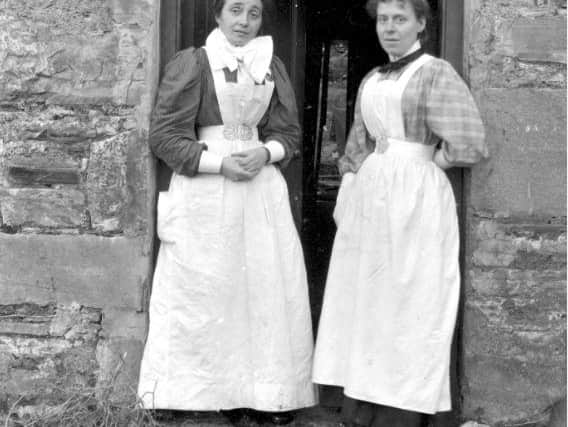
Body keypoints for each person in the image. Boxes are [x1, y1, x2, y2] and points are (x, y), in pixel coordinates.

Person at [137, 0, 317, 423]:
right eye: (235, 11)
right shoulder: (195, 64)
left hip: (258, 188)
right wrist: (220, 163)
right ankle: (186, 393)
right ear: (217, 15)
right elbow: (164, 137)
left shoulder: (270, 65)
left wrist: (266, 152)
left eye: (253, 14)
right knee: (204, 289)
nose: (244, 22)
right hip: (207, 187)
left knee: (260, 289)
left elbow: (288, 133)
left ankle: (262, 395)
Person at [312, 0, 488, 426]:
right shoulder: (372, 77)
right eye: (384, 20)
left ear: (421, 25)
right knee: (369, 296)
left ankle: (404, 412)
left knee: (411, 296)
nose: (389, 28)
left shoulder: (434, 72)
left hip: (416, 196)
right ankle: (363, 406)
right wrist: (357, 179)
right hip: (372, 193)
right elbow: (357, 143)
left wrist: (424, 163)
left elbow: (469, 141)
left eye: (400, 20)